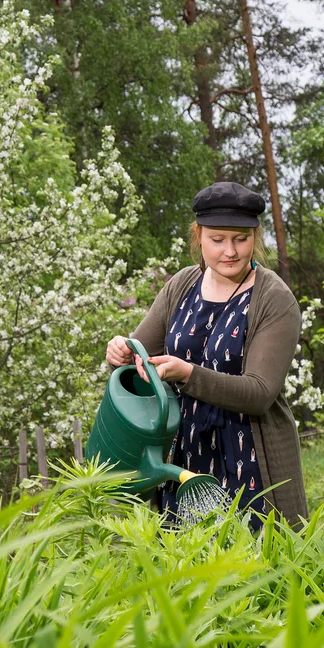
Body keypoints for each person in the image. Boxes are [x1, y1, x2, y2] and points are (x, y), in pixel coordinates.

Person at [106, 181, 307, 529]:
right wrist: (120, 352)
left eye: (241, 239)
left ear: (255, 238)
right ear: (198, 236)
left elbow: (259, 393)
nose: (230, 251)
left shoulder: (273, 299)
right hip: (185, 458)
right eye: (218, 240)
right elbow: (140, 352)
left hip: (249, 458)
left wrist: (188, 374)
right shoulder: (182, 285)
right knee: (187, 568)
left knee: (256, 567)